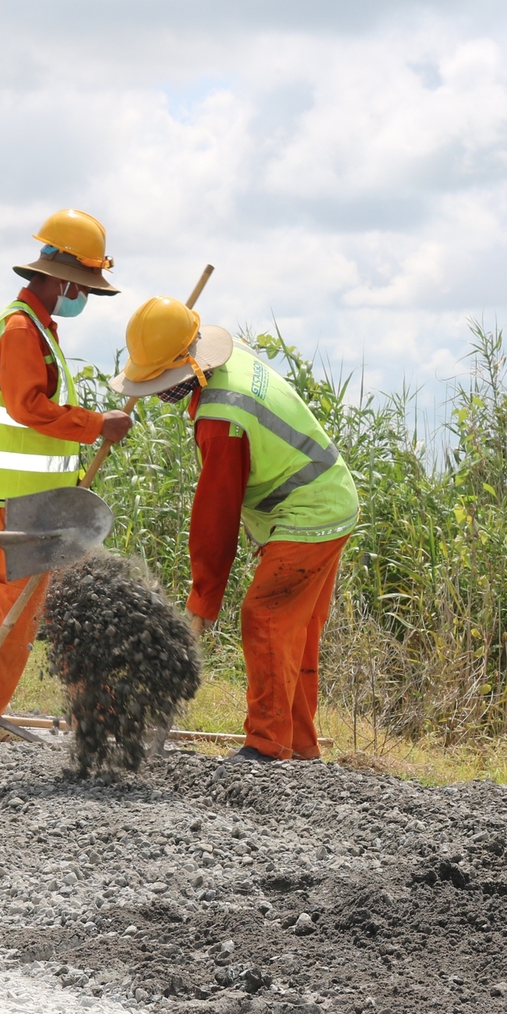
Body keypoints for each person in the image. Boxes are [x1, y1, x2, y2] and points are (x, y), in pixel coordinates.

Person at [109, 295, 360, 762]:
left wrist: (204, 598)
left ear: (192, 367)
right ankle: (299, 747)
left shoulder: (221, 420)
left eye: (165, 381)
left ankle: (265, 748)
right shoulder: (231, 355)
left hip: (309, 512)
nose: (162, 392)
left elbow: (216, 518)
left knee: (264, 617)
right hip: (329, 499)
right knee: (293, 631)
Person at [0, 210, 129, 732]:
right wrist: (98, 424)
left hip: (41, 500)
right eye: (85, 287)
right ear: (62, 278)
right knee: (15, 617)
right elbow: (26, 407)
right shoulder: (20, 329)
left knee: (34, 610)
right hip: (26, 504)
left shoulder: (37, 328)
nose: (85, 297)